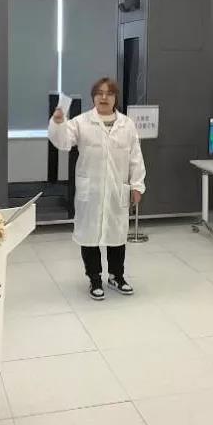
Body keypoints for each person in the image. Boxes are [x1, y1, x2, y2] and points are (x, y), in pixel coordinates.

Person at [48, 77, 146, 300]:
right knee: (89, 236)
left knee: (117, 235)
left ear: (115, 98)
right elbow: (63, 142)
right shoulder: (82, 122)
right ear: (93, 97)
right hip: (90, 191)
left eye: (109, 93)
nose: (104, 97)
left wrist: (137, 185)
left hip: (116, 190)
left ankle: (116, 276)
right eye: (99, 93)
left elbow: (136, 157)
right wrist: (58, 122)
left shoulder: (127, 125)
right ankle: (94, 278)